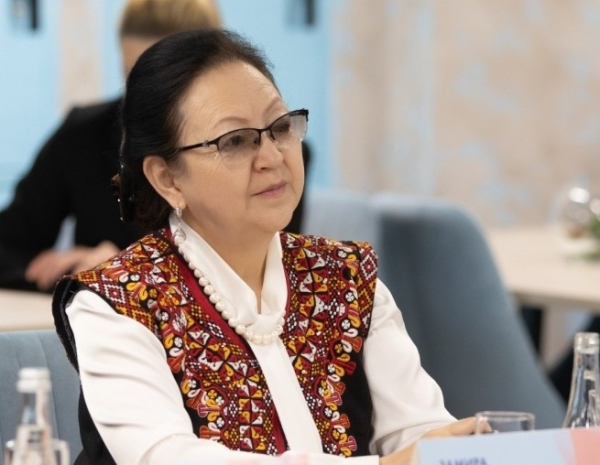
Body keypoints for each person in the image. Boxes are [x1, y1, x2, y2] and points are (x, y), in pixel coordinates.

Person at [53, 29, 475, 465]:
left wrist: (458, 449)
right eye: (234, 141)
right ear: (167, 178)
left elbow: (418, 432)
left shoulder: (345, 278)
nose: (273, 157)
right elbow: (167, 457)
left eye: (280, 128)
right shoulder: (117, 303)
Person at [0, 0, 308, 293]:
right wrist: (67, 272)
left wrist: (122, 271)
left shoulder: (278, 153)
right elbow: (9, 244)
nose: (270, 156)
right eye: (134, 81)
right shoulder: (83, 135)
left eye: (168, 87)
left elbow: (264, 265)